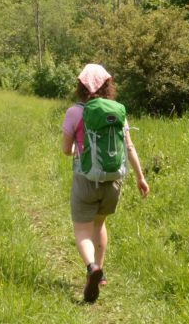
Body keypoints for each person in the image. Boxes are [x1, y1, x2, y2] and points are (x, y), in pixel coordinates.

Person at [60, 63, 149, 303]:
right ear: (108, 85)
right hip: (114, 181)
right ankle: (100, 273)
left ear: (80, 86)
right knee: (99, 225)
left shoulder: (74, 113)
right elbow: (129, 146)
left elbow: (67, 151)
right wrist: (141, 177)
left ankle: (91, 267)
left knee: (82, 229)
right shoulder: (118, 111)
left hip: (86, 179)